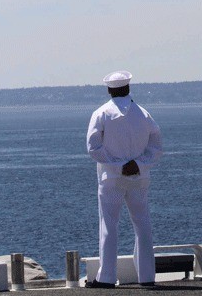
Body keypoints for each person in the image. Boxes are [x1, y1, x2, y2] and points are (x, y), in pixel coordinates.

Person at [86, 70, 163, 288]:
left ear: (109, 90)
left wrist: (117, 165)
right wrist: (138, 164)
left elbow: (93, 148)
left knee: (109, 225)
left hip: (111, 179)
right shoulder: (144, 114)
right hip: (139, 177)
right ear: (128, 88)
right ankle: (147, 276)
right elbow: (157, 146)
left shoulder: (101, 114)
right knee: (143, 225)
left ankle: (107, 277)